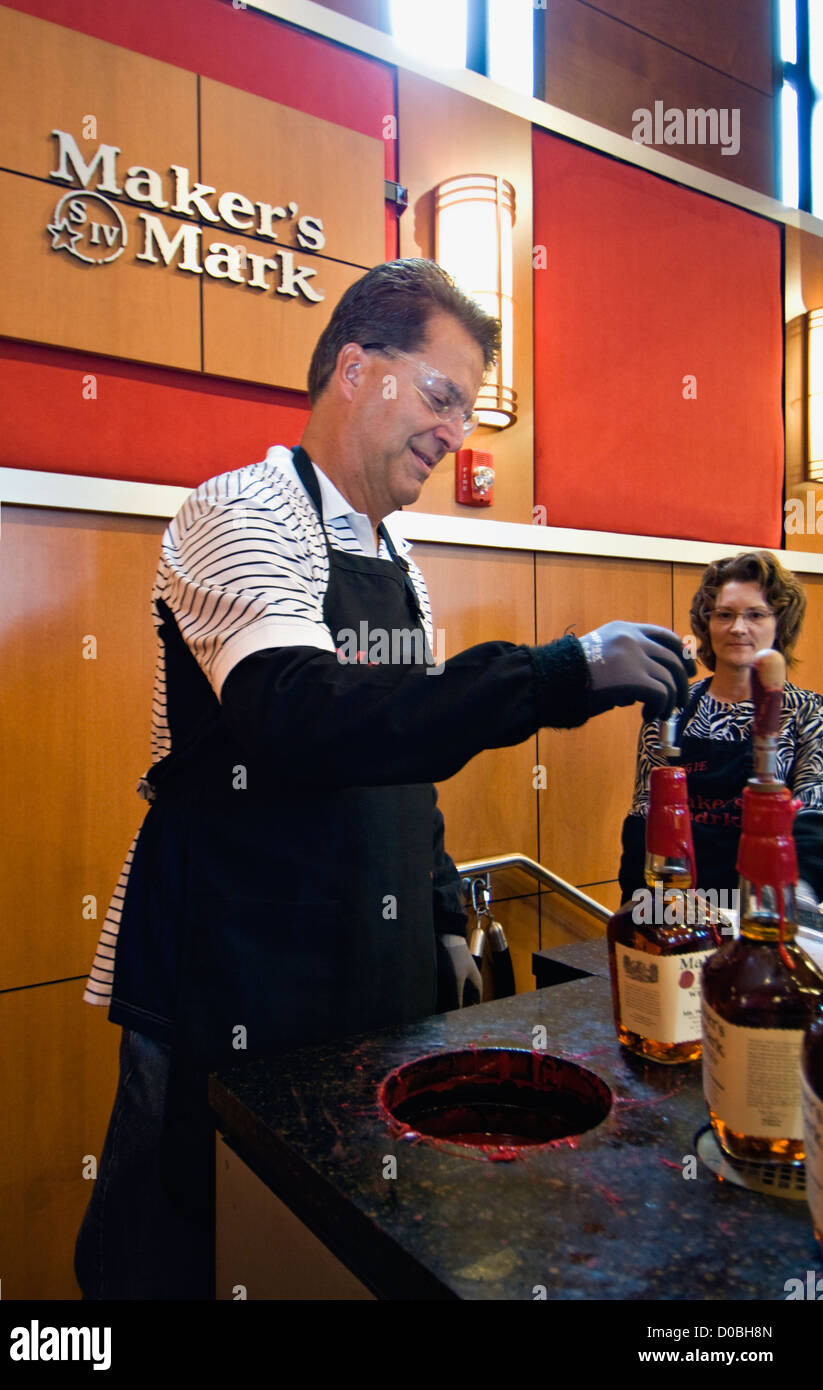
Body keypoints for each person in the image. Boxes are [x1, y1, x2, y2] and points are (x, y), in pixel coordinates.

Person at [75, 258, 693, 1299]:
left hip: (370, 966)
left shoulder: (396, 558)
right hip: (232, 965)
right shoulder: (237, 511)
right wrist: (555, 671)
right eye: (440, 395)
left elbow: (396, 743)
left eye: (465, 410)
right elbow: (297, 717)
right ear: (354, 369)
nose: (456, 434)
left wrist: (443, 910)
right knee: (187, 1241)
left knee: (335, 1245)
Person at [618, 549, 823, 908]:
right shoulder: (673, 707)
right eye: (724, 615)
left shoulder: (807, 713)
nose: (738, 628)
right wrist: (641, 905)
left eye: (756, 615)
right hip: (679, 905)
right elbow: (645, 813)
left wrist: (790, 901)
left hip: (766, 907)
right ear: (707, 624)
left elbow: (813, 815)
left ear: (780, 625)